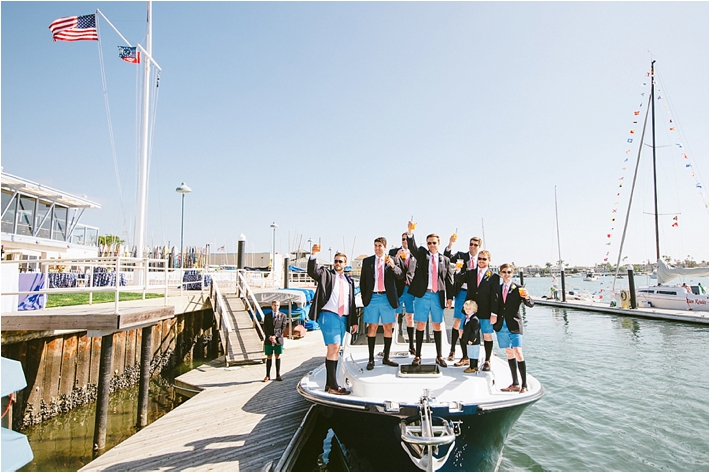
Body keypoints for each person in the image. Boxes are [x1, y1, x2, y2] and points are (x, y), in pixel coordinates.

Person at [307, 245, 358, 395]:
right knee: (334, 347)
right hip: (329, 315)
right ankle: (334, 386)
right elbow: (312, 271)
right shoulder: (326, 274)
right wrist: (314, 254)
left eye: (340, 261)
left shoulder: (349, 281)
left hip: (343, 318)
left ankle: (329, 384)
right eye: (336, 261)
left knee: (335, 350)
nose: (337, 263)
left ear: (345, 263)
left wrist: (353, 321)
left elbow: (351, 302)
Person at [405, 221, 454, 367]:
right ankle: (418, 355)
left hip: (437, 295)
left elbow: (449, 280)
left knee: (437, 325)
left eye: (434, 242)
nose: (431, 245)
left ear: (439, 243)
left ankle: (439, 356)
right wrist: (410, 232)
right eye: (429, 243)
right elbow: (412, 247)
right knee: (420, 324)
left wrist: (450, 298)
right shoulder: (422, 254)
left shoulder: (444, 260)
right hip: (423, 295)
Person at [360, 237, 405, 370]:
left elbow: (401, 276)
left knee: (387, 327)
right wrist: (364, 298)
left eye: (380, 245)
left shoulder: (393, 260)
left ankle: (386, 357)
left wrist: (392, 265)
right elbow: (363, 282)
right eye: (375, 245)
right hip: (372, 298)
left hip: (387, 298)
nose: (377, 248)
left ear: (385, 247)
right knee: (372, 327)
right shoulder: (367, 261)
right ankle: (371, 359)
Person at [456, 249, 500, 371]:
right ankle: (466, 357)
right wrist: (458, 269)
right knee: (462, 332)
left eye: (484, 259)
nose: (481, 261)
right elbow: (459, 279)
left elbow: (495, 297)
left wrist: (494, 313)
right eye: (479, 259)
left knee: (487, 335)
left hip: (486, 311)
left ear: (489, 260)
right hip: (470, 310)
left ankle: (487, 360)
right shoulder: (470, 273)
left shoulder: (494, 277)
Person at [493, 263, 534, 393]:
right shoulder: (497, 289)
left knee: (518, 352)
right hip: (501, 324)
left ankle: (524, 385)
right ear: (500, 273)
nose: (506, 274)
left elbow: (530, 304)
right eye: (504, 272)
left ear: (512, 273)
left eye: (509, 272)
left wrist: (527, 297)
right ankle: (515, 383)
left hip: (515, 324)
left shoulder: (519, 288)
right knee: (509, 353)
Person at [444, 235, 483, 365]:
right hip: (462, 292)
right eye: (471, 244)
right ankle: (453, 350)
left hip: (476, 294)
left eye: (475, 245)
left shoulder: (482, 259)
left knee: (473, 323)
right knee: (458, 322)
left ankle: (470, 356)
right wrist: (450, 244)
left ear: (479, 247)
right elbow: (447, 257)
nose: (472, 246)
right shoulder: (461, 256)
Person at [390, 233, 417, 355]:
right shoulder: (394, 252)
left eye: (407, 239)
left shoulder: (415, 254)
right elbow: (390, 266)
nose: (405, 241)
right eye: (403, 239)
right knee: (394, 317)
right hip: (399, 289)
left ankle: (411, 345)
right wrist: (396, 257)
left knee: (409, 317)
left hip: (410, 290)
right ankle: (388, 345)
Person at [263, 300, 287, 382]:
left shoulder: (283, 316)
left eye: (277, 305)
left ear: (279, 306)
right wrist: (270, 336)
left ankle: (278, 374)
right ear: (271, 306)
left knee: (278, 356)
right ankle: (267, 375)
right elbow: (265, 328)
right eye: (274, 305)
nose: (275, 307)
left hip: (278, 339)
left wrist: (275, 336)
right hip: (268, 339)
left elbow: (283, 328)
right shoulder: (267, 316)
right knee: (269, 356)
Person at [459, 300, 481, 374]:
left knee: (474, 354)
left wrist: (472, 339)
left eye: (469, 309)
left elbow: (475, 331)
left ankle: (472, 367)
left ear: (474, 309)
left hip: (473, 340)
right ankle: (474, 366)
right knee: (471, 353)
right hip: (469, 339)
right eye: (466, 309)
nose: (467, 310)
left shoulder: (474, 319)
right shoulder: (467, 318)